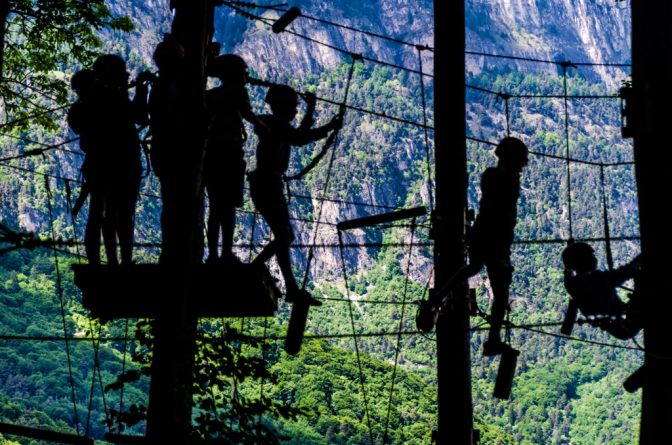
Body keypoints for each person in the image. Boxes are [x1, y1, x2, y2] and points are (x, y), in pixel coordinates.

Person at [417, 137, 529, 356]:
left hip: (480, 233)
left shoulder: (490, 175)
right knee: (501, 295)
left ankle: (439, 296)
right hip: (497, 240)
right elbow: (505, 211)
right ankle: (493, 339)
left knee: (473, 267)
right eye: (520, 161)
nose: (522, 166)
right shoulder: (509, 180)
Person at [249, 84, 341, 305]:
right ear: (283, 106)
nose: (296, 111)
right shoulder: (273, 124)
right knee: (284, 235)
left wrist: (312, 110)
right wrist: (329, 126)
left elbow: (298, 134)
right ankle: (268, 275)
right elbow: (299, 138)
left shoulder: (274, 124)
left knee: (285, 235)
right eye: (294, 107)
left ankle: (266, 273)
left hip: (268, 183)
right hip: (268, 184)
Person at [203, 54, 265, 264]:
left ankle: (212, 254)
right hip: (230, 154)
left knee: (214, 208)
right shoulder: (238, 92)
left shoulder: (210, 96)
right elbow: (248, 115)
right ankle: (226, 253)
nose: (245, 75)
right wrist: (267, 128)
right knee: (228, 207)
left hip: (210, 155)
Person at [85, 54, 144, 265]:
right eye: (122, 71)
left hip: (102, 163)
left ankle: (112, 260)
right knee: (123, 213)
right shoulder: (115, 97)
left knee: (107, 212)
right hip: (124, 162)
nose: (126, 75)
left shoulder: (95, 96)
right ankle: (124, 260)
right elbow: (139, 117)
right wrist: (141, 91)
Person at [562, 242, 641, 339]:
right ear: (584, 261)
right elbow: (625, 272)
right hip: (626, 323)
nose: (595, 258)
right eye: (591, 256)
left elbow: (568, 275)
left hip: (620, 326)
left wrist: (570, 252)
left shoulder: (573, 285)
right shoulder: (595, 279)